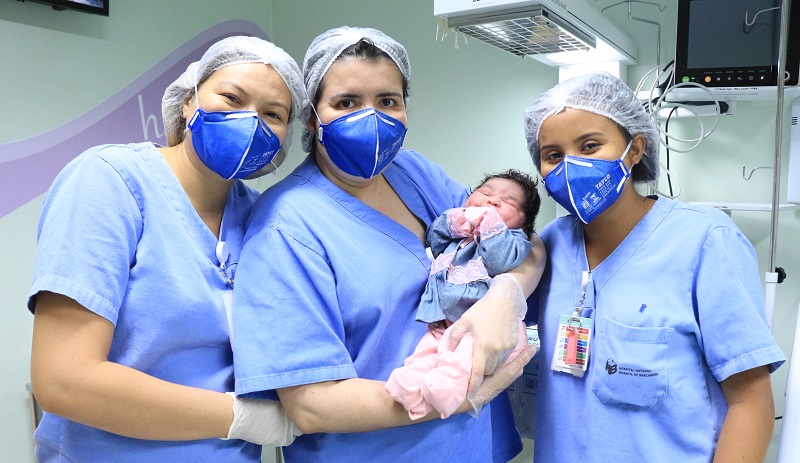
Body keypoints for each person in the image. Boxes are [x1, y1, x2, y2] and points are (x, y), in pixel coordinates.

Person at [232, 26, 545, 463]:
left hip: (474, 445)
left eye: (387, 101)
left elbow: (522, 243)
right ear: (312, 117)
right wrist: (449, 396)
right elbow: (311, 404)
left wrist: (507, 294)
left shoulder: (411, 172)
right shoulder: (286, 226)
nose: (371, 117)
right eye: (346, 102)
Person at [27, 36, 306, 462]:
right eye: (231, 97)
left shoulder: (260, 217)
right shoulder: (109, 182)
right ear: (189, 101)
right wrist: (239, 418)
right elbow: (65, 379)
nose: (250, 120)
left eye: (273, 114)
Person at [523, 71, 786, 462]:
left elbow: (751, 403)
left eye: (590, 146)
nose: (571, 166)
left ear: (634, 149)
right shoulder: (548, 247)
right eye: (553, 155)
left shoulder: (705, 241)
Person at [386, 169, 541, 419]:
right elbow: (433, 238)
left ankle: (446, 390)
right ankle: (413, 379)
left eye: (509, 202)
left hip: (486, 329)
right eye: (485, 193)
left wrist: (490, 223)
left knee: (462, 358)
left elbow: (500, 261)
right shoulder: (458, 238)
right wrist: (461, 220)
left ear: (524, 223)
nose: (493, 201)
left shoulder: (514, 241)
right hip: (443, 321)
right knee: (430, 349)